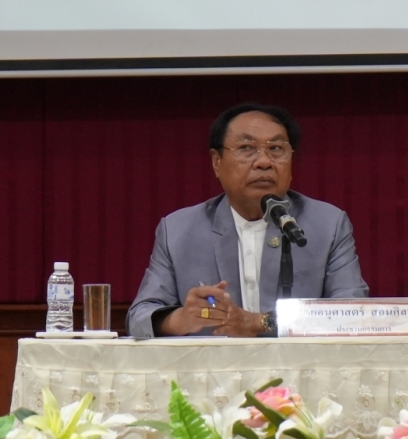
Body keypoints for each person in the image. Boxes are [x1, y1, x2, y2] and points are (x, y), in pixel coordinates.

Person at [127, 103, 368, 339]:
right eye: (246, 148)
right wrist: (180, 319)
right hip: (214, 364)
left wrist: (258, 323)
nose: (264, 162)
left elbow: (352, 313)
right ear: (217, 162)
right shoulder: (179, 229)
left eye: (276, 148)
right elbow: (139, 317)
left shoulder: (327, 224)